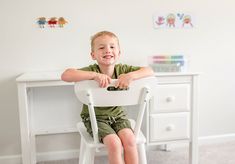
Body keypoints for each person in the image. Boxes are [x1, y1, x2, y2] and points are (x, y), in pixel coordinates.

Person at [61, 31, 154, 164]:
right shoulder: (91, 70)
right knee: (114, 143)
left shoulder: (123, 70)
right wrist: (94, 76)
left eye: (112, 47)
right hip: (95, 119)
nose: (107, 50)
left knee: (130, 140)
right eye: (101, 47)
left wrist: (131, 76)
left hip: (119, 117)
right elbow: (66, 75)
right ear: (93, 55)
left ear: (119, 53)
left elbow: (149, 70)